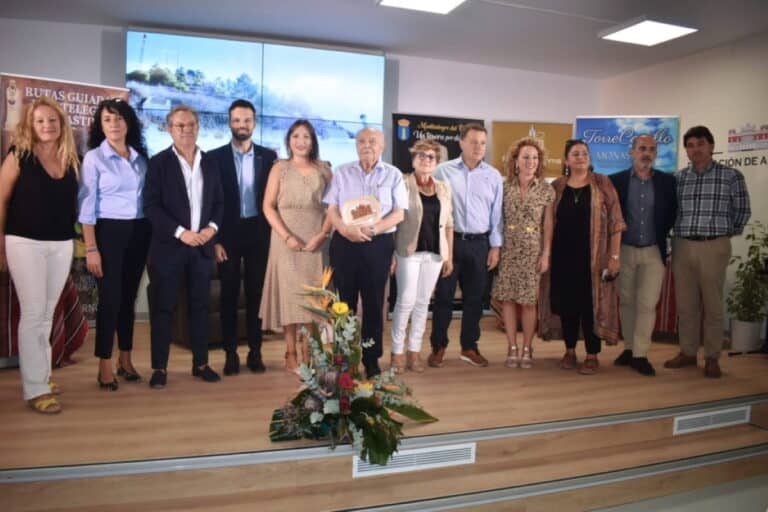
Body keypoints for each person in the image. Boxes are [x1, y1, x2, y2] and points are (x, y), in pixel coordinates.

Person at [0, 96, 79, 413]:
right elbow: (1, 199)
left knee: (47, 313)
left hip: (61, 244)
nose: (47, 125)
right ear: (30, 125)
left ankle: (42, 376)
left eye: (52, 120)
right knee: (33, 314)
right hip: (24, 242)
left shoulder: (72, 158)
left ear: (62, 124)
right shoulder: (19, 155)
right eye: (40, 120)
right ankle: (35, 389)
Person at [143, 105, 223, 388]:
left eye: (191, 125)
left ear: (198, 127)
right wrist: (181, 233)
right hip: (169, 249)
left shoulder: (210, 162)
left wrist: (211, 229)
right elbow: (151, 207)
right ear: (169, 129)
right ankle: (160, 368)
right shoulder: (158, 163)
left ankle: (201, 364)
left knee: (200, 307)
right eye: (180, 125)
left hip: (201, 248)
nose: (186, 130)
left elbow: (219, 203)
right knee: (164, 309)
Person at [665, 125, 751, 378]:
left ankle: (712, 357)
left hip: (714, 246)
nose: (696, 150)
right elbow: (671, 212)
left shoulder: (731, 176)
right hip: (682, 245)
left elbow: (742, 211)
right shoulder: (679, 178)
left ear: (711, 146)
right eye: (690, 146)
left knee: (713, 305)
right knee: (686, 304)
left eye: (700, 144)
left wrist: (723, 234)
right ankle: (688, 352)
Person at [79, 98, 151, 390]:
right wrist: (91, 248)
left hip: (140, 231)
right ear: (100, 125)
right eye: (107, 119)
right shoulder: (94, 158)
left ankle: (126, 359)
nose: (114, 124)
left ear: (129, 122)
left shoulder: (141, 158)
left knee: (128, 299)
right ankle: (104, 364)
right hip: (108, 231)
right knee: (110, 299)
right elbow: (86, 206)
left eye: (119, 118)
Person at [324, 127, 407, 378]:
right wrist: (344, 229)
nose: (366, 145)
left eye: (372, 141)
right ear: (356, 145)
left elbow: (399, 213)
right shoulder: (342, 172)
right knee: (343, 304)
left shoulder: (393, 174)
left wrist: (373, 229)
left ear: (382, 146)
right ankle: (344, 359)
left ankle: (371, 360)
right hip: (345, 244)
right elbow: (331, 209)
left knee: (374, 303)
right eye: (361, 141)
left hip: (377, 244)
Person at [541, 139, 626, 375]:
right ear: (566, 160)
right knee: (567, 304)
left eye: (584, 153)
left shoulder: (602, 183)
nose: (581, 157)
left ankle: (591, 354)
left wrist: (614, 256)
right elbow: (547, 223)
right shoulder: (557, 186)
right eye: (575, 154)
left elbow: (616, 221)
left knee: (591, 305)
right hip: (563, 257)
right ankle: (569, 351)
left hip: (594, 259)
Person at [209, 99, 277, 375]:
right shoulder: (214, 158)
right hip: (226, 235)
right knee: (228, 295)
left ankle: (255, 352)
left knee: (256, 295)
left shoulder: (269, 157)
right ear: (229, 123)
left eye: (247, 120)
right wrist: (214, 240)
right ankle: (230, 354)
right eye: (237, 120)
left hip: (258, 234)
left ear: (254, 123)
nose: (242, 125)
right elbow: (208, 201)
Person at [429, 123, 503, 368]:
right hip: (450, 243)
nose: (478, 147)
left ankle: (469, 347)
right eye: (473, 142)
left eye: (482, 143)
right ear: (461, 143)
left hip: (480, 244)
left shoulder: (493, 176)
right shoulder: (442, 171)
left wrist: (495, 247)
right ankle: (438, 346)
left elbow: (496, 215)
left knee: (475, 299)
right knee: (444, 297)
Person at [260, 120, 332, 372]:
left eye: (306, 137)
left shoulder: (324, 169)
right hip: (285, 241)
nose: (301, 141)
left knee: (313, 298)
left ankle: (309, 349)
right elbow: (268, 206)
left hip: (316, 241)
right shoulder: (279, 168)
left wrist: (323, 234)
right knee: (289, 296)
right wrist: (287, 236)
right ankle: (290, 350)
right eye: (296, 136)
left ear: (313, 141)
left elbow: (333, 207)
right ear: (288, 140)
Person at [609, 134, 677, 377]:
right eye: (642, 148)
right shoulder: (615, 181)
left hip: (653, 252)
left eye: (651, 149)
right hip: (624, 251)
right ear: (632, 152)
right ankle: (629, 348)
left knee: (647, 304)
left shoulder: (668, 183)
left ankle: (640, 354)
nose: (646, 153)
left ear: (656, 153)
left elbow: (672, 214)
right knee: (627, 302)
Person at [390, 139, 453, 373]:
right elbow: (393, 220)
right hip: (408, 251)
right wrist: (391, 253)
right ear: (414, 159)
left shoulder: (443, 188)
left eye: (431, 157)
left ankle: (414, 351)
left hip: (435, 253)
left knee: (423, 302)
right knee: (405, 301)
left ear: (437, 162)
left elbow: (449, 224)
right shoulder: (402, 183)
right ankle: (397, 352)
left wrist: (449, 256)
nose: (426, 160)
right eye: (421, 156)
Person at [492, 138, 554, 369]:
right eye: (526, 157)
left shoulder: (546, 189)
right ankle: (512, 346)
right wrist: (495, 248)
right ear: (515, 161)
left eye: (535, 158)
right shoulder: (504, 187)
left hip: (532, 251)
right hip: (508, 249)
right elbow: (496, 219)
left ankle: (527, 347)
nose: (531, 162)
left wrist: (545, 254)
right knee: (508, 300)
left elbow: (548, 225)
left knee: (528, 302)